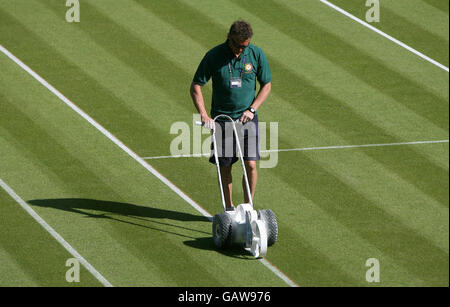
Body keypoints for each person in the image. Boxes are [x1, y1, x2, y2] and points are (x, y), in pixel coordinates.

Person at [190, 20, 272, 210]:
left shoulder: (256, 54)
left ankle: (248, 206)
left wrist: (252, 109)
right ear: (229, 37)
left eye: (245, 46)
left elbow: (266, 85)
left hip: (247, 119)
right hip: (222, 120)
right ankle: (228, 207)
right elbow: (196, 86)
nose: (241, 50)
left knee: (251, 164)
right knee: (225, 166)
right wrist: (203, 114)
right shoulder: (214, 56)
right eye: (237, 45)